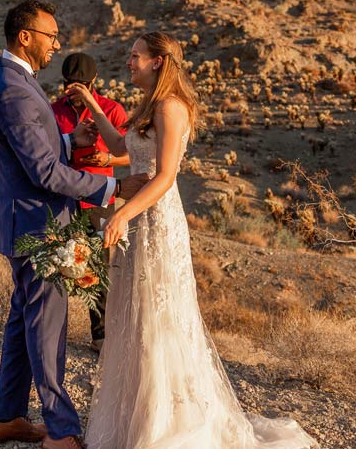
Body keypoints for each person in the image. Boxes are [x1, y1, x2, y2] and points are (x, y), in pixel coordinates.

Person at [67, 32, 318, 449]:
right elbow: (120, 146)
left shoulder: (171, 107)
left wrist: (122, 214)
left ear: (158, 61)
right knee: (135, 314)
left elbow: (165, 175)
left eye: (136, 57)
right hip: (137, 217)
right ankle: (136, 416)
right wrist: (94, 106)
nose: (129, 63)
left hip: (156, 219)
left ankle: (167, 424)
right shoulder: (148, 105)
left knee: (159, 317)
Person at [0, 0, 149, 449]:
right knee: (46, 326)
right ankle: (60, 430)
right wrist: (111, 190)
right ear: (25, 37)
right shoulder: (14, 88)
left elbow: (36, 145)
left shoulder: (15, 81)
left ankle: (4, 416)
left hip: (31, 220)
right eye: (51, 36)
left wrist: (72, 138)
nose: (57, 45)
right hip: (38, 224)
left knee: (23, 319)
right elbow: (44, 172)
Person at [50, 52, 130, 352]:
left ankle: (100, 336)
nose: (75, 91)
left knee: (98, 265)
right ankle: (55, 330)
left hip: (100, 198)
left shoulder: (111, 109)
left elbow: (133, 153)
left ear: (93, 83)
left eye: (81, 86)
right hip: (63, 197)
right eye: (70, 86)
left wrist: (109, 158)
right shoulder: (53, 111)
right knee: (59, 261)